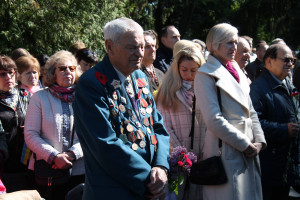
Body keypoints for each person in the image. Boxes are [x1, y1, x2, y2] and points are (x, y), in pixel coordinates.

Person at [73, 17, 169, 200]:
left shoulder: (140, 77)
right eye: (132, 47)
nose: (140, 53)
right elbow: (105, 144)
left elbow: (157, 126)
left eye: (142, 47)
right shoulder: (91, 84)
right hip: (113, 191)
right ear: (110, 47)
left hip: (148, 188)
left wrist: (161, 167)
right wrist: (148, 179)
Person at [194, 23, 266, 200]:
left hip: (249, 149)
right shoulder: (205, 74)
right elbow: (213, 119)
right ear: (215, 44)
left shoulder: (237, 71)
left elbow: (251, 111)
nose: (234, 47)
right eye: (229, 43)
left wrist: (260, 140)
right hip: (226, 150)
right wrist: (244, 144)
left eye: (235, 42)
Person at [24, 50, 84, 200]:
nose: (68, 72)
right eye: (62, 68)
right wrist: (54, 156)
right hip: (48, 171)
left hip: (80, 170)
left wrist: (71, 154)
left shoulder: (84, 97)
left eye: (72, 68)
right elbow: (31, 134)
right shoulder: (39, 98)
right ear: (52, 72)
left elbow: (90, 132)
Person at [155, 40, 206, 200]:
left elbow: (210, 123)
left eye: (194, 70)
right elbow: (164, 125)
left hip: (202, 156)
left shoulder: (206, 89)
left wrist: (206, 150)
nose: (189, 75)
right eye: (184, 70)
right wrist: (181, 153)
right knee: (177, 194)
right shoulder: (167, 90)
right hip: (176, 158)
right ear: (177, 68)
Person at [250, 44, 298, 200]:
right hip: (269, 165)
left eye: (292, 60)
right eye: (286, 60)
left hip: (286, 164)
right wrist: (284, 129)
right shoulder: (258, 88)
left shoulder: (288, 85)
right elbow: (254, 123)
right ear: (269, 62)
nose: (290, 64)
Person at [0, 56, 32, 192]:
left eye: (11, 72)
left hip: (27, 162)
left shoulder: (25, 96)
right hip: (4, 164)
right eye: (2, 74)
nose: (8, 77)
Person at [140, 30, 164, 94]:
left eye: (153, 46)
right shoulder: (135, 74)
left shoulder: (160, 73)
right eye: (147, 47)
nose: (153, 49)